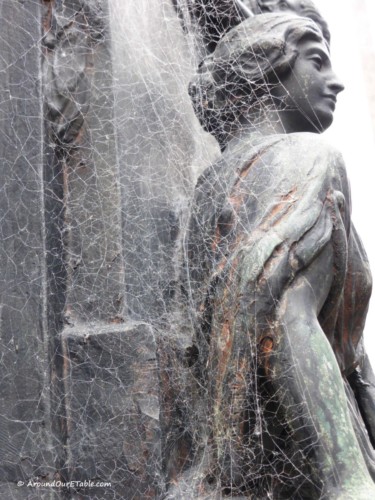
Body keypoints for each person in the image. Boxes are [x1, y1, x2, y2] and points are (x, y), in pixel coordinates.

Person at [185, 13, 375, 499]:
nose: (337, 82)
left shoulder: (211, 185)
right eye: (317, 60)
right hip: (313, 467)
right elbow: (284, 313)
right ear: (268, 67)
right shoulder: (304, 157)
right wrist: (350, 482)